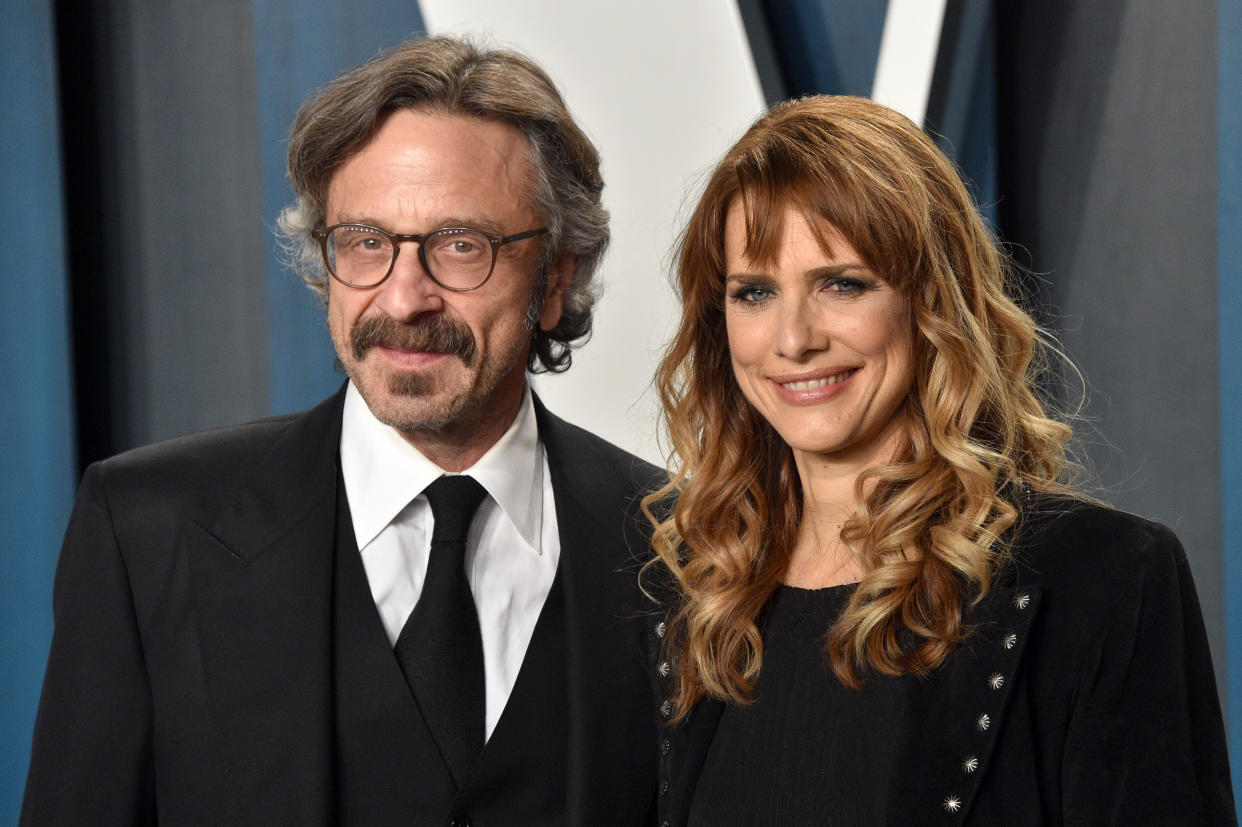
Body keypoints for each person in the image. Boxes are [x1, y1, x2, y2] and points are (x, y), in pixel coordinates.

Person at [23, 36, 660, 826]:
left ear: (557, 278)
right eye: (365, 243)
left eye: (461, 246)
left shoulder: (686, 547)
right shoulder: (148, 533)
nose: (403, 299)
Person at [644, 95, 1235, 825]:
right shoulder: (684, 595)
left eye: (842, 283)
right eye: (755, 292)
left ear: (933, 300)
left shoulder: (1105, 578)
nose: (792, 339)